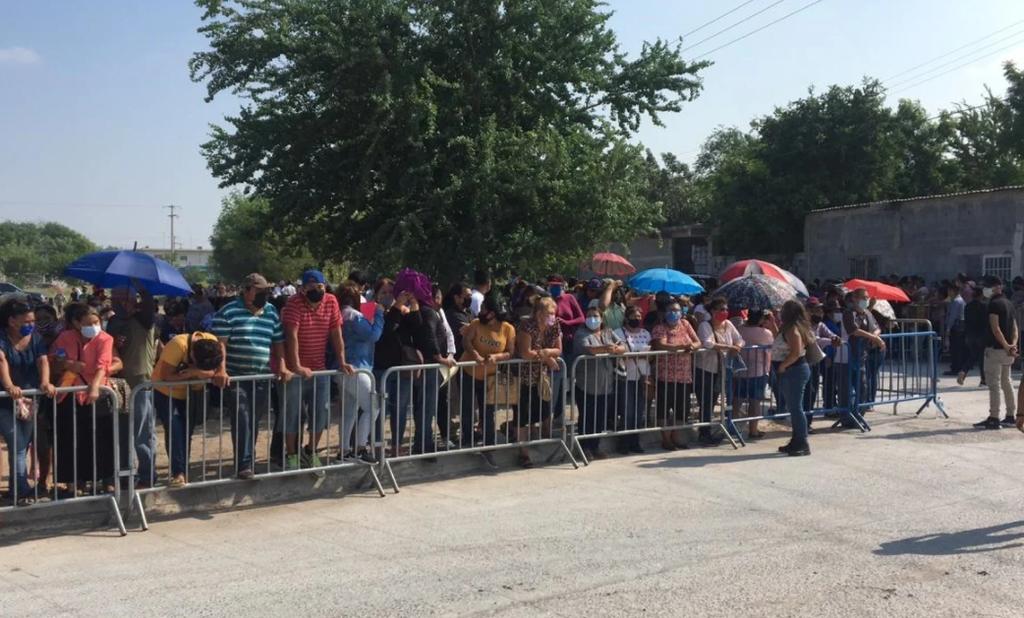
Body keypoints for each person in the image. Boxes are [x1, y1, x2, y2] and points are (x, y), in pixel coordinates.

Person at [210, 273, 290, 479]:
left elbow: (278, 341)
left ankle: (248, 458)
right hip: (237, 377)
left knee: (254, 419)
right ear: (246, 291)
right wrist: (221, 369)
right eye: (260, 291)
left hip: (261, 376)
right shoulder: (228, 312)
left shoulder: (271, 312)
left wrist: (281, 363)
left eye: (266, 291)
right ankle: (244, 464)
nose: (265, 295)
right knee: (243, 416)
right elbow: (221, 344)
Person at [279, 270, 352, 470]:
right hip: (296, 371)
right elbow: (291, 335)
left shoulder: (331, 301)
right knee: (292, 413)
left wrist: (342, 361)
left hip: (319, 368)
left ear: (324, 286)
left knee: (321, 413)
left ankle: (311, 450)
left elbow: (336, 334)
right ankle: (292, 454)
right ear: (303, 289)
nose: (316, 291)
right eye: (311, 287)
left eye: (319, 287)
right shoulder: (294, 302)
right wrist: (296, 366)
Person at [49, 303, 117, 495]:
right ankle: (75, 481)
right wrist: (69, 364)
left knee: (102, 438)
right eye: (89, 323)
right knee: (71, 438)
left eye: (97, 322)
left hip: (98, 392)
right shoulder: (65, 337)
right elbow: (54, 360)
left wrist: (94, 387)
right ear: (76, 323)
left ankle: (106, 479)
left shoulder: (105, 338)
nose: (95, 326)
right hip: (69, 392)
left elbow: (102, 365)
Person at [149, 330, 225, 487]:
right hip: (167, 392)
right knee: (175, 429)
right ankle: (178, 472)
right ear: (192, 353)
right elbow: (166, 375)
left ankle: (183, 468)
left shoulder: (212, 342)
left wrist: (214, 371)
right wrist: (194, 374)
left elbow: (217, 365)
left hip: (193, 393)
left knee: (187, 431)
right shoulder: (178, 345)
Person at [0, 300, 56, 504]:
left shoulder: (36, 338)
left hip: (30, 399)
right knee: (18, 443)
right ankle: (22, 489)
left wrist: (45, 382)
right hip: (5, 401)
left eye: (32, 321)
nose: (31, 324)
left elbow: (43, 360)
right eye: (27, 321)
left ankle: (18, 488)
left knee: (24, 442)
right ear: (12, 321)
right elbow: (2, 362)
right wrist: (9, 386)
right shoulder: (2, 339)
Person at [459, 294, 516, 462]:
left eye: (484, 308)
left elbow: (510, 352)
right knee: (468, 409)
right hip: (469, 372)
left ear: (493, 312)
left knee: (488, 411)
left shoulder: (508, 329)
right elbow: (466, 341)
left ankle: (489, 446)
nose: (481, 311)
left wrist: (497, 357)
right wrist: (474, 353)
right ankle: (468, 441)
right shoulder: (476, 324)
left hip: (490, 376)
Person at [337, 283, 384, 463]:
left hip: (343, 368)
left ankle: (344, 450)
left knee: (349, 410)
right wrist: (379, 314)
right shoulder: (354, 315)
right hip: (357, 367)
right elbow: (373, 335)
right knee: (374, 406)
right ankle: (361, 447)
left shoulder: (339, 315)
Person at [572, 305, 625, 460]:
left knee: (600, 417)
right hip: (586, 383)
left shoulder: (608, 332)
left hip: (605, 383)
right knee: (587, 417)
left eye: (596, 316)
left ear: (602, 319)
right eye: (589, 316)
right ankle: (584, 448)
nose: (592, 319)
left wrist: (615, 349)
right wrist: (606, 348)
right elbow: (588, 349)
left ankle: (595, 446)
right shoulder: (581, 333)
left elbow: (623, 346)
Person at [515, 297, 562, 468]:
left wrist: (547, 353)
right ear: (539, 313)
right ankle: (523, 453)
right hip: (523, 376)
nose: (552, 316)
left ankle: (536, 443)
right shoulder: (527, 325)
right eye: (549, 313)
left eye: (553, 313)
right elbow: (525, 352)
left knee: (541, 411)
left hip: (542, 376)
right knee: (522, 416)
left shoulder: (555, 324)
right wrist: (547, 358)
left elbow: (558, 349)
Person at [650, 300, 701, 450]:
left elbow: (697, 342)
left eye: (677, 310)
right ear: (664, 313)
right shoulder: (660, 328)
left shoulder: (685, 324)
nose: (674, 313)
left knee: (681, 409)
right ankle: (666, 439)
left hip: (684, 375)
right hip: (665, 375)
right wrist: (680, 347)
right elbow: (660, 344)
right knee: (664, 408)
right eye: (671, 310)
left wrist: (692, 346)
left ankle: (677, 437)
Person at [695, 297, 744, 446]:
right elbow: (708, 343)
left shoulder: (728, 324)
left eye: (725, 309)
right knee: (705, 401)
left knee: (713, 400)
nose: (724, 312)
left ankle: (710, 430)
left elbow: (739, 338)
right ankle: (704, 433)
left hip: (721, 368)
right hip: (705, 368)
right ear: (712, 311)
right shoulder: (705, 325)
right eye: (720, 309)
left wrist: (738, 346)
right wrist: (729, 347)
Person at [974, 276, 1018, 429]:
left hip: (995, 350)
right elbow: (1014, 328)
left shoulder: (993, 304)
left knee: (994, 385)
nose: (985, 289)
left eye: (987, 286)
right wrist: (1012, 345)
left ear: (996, 287)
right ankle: (1011, 416)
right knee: (1007, 383)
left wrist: (1006, 346)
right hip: (1008, 352)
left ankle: (994, 418)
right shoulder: (1009, 303)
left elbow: (995, 328)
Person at [837, 289, 885, 428]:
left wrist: (875, 335)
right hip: (846, 356)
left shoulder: (868, 313)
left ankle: (858, 415)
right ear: (855, 298)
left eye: (867, 297)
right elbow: (853, 330)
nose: (866, 299)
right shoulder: (848, 313)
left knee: (863, 388)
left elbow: (876, 327)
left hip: (861, 356)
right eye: (864, 297)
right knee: (845, 389)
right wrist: (873, 337)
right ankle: (846, 418)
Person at [774, 300, 815, 457]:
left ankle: (802, 442)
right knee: (793, 407)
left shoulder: (793, 329)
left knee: (796, 408)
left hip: (794, 370)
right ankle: (795, 439)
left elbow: (796, 351)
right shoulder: (789, 328)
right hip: (793, 371)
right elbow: (782, 342)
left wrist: (783, 365)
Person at [612, 305, 651, 454]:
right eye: (634, 317)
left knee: (639, 411)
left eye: (639, 317)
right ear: (627, 317)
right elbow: (619, 352)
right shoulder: (618, 333)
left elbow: (652, 352)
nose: (637, 319)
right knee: (627, 411)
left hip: (642, 375)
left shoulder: (646, 333)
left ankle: (635, 441)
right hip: (626, 376)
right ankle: (624, 442)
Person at [734, 309, 774, 440]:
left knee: (737, 400)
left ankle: (733, 428)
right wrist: (772, 323)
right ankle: (753, 430)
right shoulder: (765, 333)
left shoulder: (739, 329)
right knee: (755, 402)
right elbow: (773, 343)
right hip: (758, 371)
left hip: (739, 371)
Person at [962, 285, 988, 387]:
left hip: (970, 335)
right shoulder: (984, 306)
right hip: (981, 335)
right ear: (981, 295)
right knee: (981, 358)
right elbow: (986, 322)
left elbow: (966, 322)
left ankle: (964, 370)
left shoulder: (967, 306)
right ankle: (983, 379)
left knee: (973, 355)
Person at [442, 283, 472, 358]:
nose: (470, 298)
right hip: (457, 359)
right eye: (467, 296)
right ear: (457, 297)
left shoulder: (468, 313)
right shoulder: (452, 315)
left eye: (471, 296)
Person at [945, 282, 967, 380]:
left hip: (956, 327)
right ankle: (957, 366)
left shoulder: (956, 302)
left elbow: (952, 316)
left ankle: (955, 367)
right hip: (960, 326)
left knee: (955, 348)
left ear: (953, 291)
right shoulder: (960, 300)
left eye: (949, 290)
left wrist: (948, 328)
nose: (948, 292)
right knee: (958, 348)